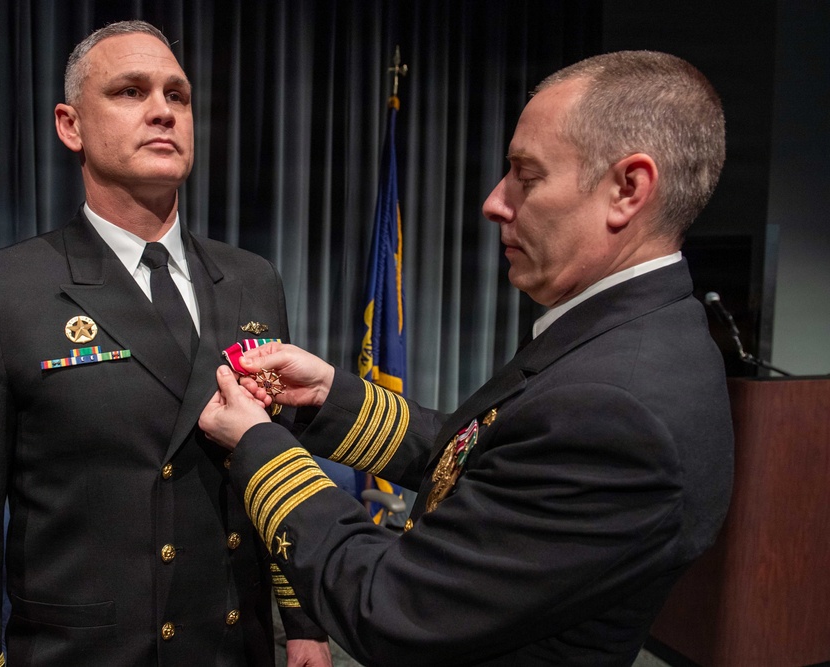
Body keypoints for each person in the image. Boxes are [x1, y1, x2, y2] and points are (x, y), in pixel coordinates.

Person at [199, 50, 734, 666]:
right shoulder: (637, 332)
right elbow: (484, 460)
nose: (493, 202)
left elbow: (392, 609)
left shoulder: (616, 408)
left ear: (627, 189)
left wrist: (259, 447)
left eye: (527, 177)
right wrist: (331, 398)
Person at [0, 20, 329, 667]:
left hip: (233, 645)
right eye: (131, 92)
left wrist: (303, 619)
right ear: (70, 125)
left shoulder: (252, 280)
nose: (163, 110)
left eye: (178, 95)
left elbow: (279, 460)